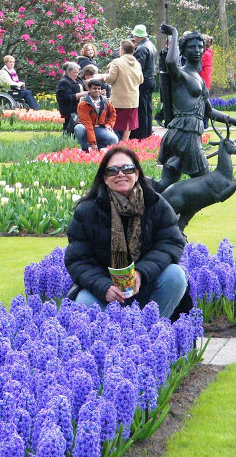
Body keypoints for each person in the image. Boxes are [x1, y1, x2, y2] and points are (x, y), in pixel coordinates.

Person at [64, 146, 187, 318]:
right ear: (105, 178)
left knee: (176, 276)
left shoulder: (155, 204)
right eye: (112, 170)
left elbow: (171, 243)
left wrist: (141, 272)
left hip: (145, 284)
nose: (120, 174)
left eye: (127, 169)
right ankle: (107, 342)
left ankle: (152, 332)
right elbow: (78, 259)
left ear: (136, 173)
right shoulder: (87, 211)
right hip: (105, 290)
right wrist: (104, 287)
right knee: (83, 304)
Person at [151, 24, 236, 193]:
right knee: (208, 182)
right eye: (192, 47)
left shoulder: (199, 78)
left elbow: (209, 112)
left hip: (185, 133)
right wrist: (175, 33)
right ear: (183, 51)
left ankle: (140, 194)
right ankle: (180, 217)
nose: (197, 50)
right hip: (185, 134)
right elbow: (170, 62)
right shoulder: (181, 75)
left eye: (200, 46)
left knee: (164, 185)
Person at [97, 40, 143, 141]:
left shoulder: (117, 62)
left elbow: (110, 78)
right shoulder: (137, 64)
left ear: (122, 50)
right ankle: (125, 142)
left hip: (119, 99)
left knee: (113, 120)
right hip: (133, 99)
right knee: (128, 124)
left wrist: (102, 77)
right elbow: (141, 80)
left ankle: (112, 141)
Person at [74, 79, 119, 151]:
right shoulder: (83, 104)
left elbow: (113, 114)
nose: (97, 91)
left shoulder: (105, 101)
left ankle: (98, 147)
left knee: (114, 139)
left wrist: (109, 125)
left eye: (99, 89)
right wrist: (93, 143)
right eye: (94, 89)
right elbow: (87, 123)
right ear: (89, 89)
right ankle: (85, 148)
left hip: (100, 128)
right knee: (78, 128)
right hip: (86, 128)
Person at [130, 24, 158, 140]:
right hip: (151, 79)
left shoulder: (142, 48)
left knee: (142, 109)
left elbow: (137, 67)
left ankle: (142, 134)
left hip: (144, 80)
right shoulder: (151, 45)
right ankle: (147, 132)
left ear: (137, 36)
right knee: (148, 108)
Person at [56, 62, 88, 134]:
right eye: (74, 73)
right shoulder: (64, 82)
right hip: (69, 108)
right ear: (68, 72)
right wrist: (81, 94)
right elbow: (67, 97)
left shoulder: (78, 79)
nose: (76, 74)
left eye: (77, 72)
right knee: (70, 129)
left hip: (80, 106)